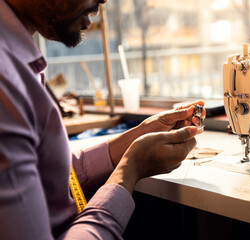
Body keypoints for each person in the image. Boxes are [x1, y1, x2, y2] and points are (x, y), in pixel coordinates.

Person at [0, 0, 206, 239]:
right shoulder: (6, 81)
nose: (104, 1)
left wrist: (132, 140)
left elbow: (49, 173)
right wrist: (129, 170)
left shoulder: (18, 60)